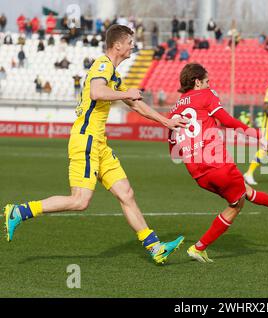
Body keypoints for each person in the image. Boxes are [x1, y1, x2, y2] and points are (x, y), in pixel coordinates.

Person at [3, 24, 188, 265]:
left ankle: (155, 247)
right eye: (130, 42)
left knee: (126, 193)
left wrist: (166, 121)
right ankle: (20, 211)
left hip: (99, 143)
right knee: (79, 201)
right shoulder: (103, 65)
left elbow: (136, 104)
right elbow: (96, 92)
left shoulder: (114, 74)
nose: (133, 46)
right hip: (86, 139)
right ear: (118, 45)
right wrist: (126, 93)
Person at [167, 63, 268, 263]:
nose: (209, 84)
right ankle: (198, 247)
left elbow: (172, 145)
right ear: (197, 82)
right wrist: (258, 135)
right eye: (206, 81)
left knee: (242, 193)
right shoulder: (206, 95)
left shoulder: (175, 107)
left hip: (196, 171)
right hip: (216, 164)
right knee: (238, 202)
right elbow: (227, 121)